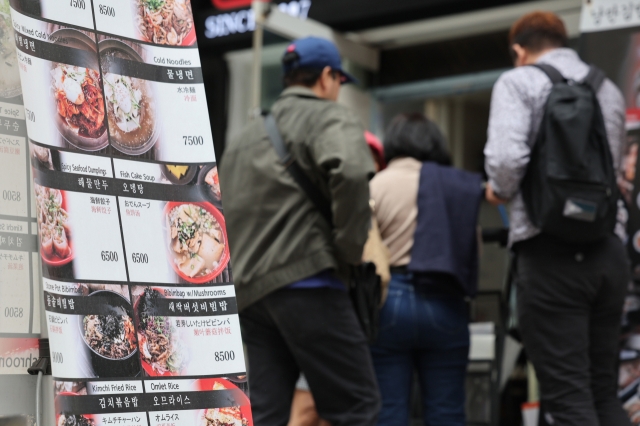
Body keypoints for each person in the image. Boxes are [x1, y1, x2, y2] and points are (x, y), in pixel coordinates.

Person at [219, 36, 381, 426]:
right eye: (339, 81)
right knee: (357, 406)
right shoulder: (328, 116)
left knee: (267, 413)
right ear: (327, 76)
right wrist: (349, 251)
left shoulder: (243, 138)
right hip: (309, 282)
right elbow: (353, 172)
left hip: (252, 297)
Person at [484, 11, 630, 426]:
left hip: (549, 254)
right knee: (603, 392)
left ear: (519, 50)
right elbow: (614, 172)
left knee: (567, 398)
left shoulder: (518, 81)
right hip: (606, 253)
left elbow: (507, 162)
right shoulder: (609, 89)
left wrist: (499, 190)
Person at [370, 113, 484, 425]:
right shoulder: (456, 186)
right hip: (445, 302)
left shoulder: (377, 185)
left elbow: (361, 250)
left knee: (389, 412)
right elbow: (473, 249)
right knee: (446, 412)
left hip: (388, 302)